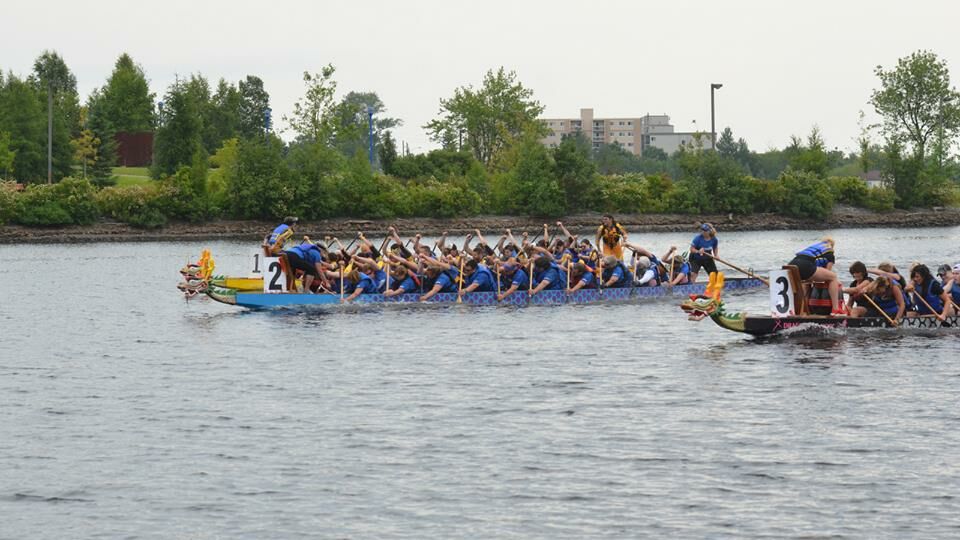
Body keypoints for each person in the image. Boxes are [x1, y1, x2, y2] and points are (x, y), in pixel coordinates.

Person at [787, 237, 844, 315]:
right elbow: (828, 272)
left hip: (792, 264)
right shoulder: (830, 252)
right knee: (833, 277)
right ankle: (835, 309)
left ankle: (801, 310)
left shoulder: (815, 247)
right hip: (805, 265)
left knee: (806, 282)